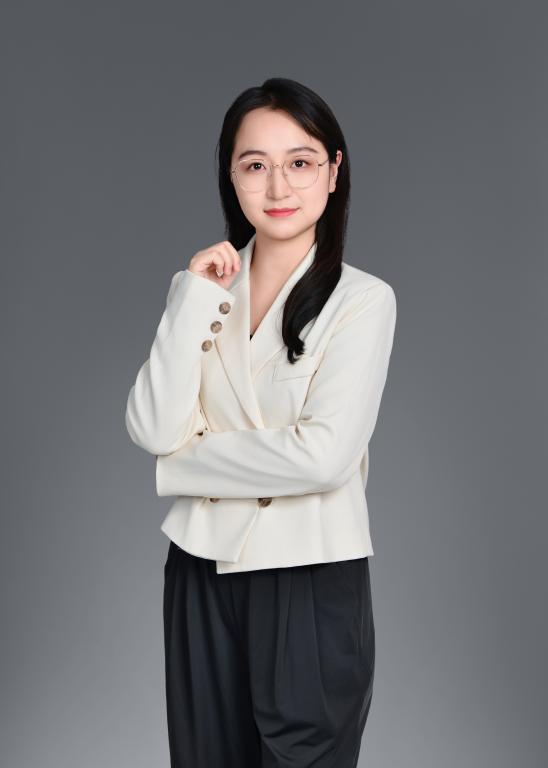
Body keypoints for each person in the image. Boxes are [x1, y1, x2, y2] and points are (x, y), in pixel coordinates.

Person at [125, 77, 397, 768]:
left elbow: (323, 457)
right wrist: (193, 298)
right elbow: (153, 429)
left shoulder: (363, 300)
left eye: (300, 161)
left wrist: (185, 465)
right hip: (200, 566)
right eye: (255, 164)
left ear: (334, 170)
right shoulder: (199, 290)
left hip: (309, 573)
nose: (278, 185)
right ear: (231, 175)